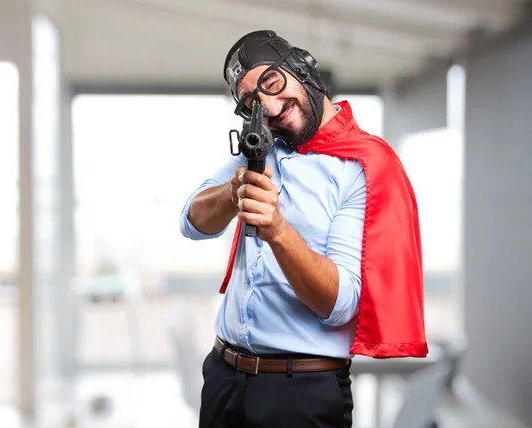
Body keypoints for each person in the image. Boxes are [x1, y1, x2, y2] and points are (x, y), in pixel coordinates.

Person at [179, 30, 427, 428]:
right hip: (223, 378)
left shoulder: (360, 168)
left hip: (299, 394)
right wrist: (234, 190)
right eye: (252, 104)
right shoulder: (262, 148)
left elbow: (340, 304)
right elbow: (190, 223)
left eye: (272, 83)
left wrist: (277, 229)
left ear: (301, 68)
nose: (271, 107)